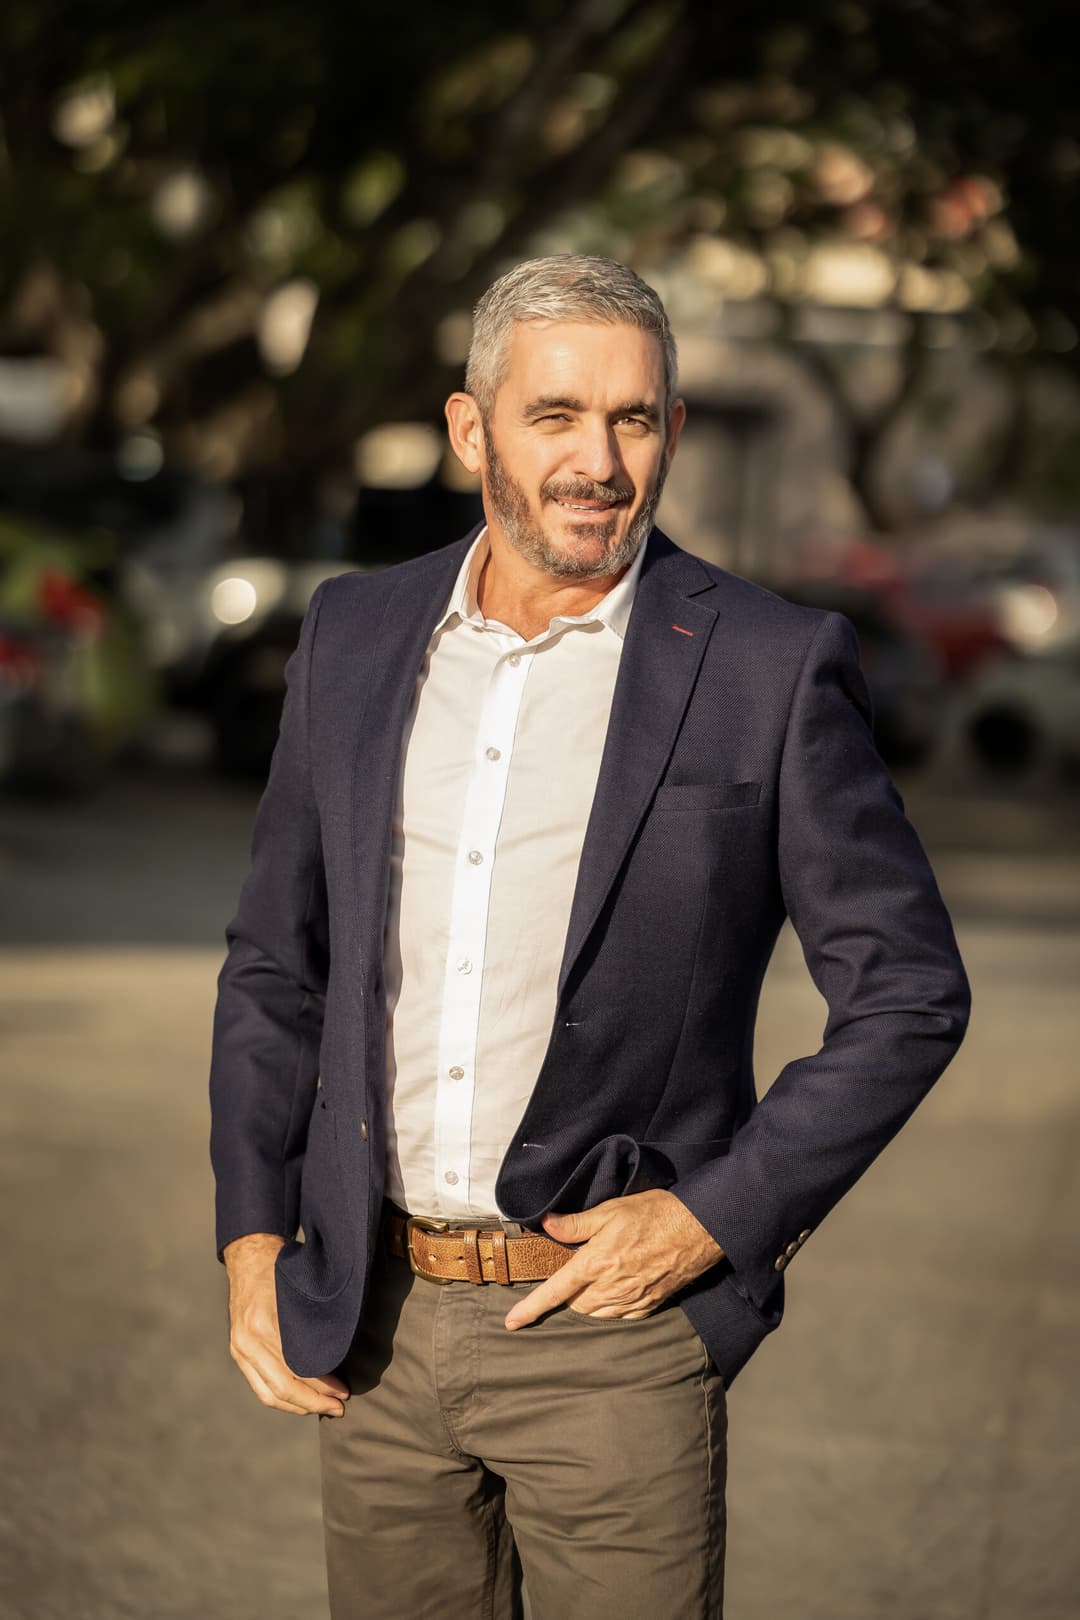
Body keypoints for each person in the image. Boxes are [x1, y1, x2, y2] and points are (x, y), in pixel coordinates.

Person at [209, 254, 970, 1619]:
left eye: (634, 418)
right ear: (471, 431)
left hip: (612, 1339)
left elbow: (908, 991)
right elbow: (278, 961)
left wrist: (714, 1217)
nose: (599, 460)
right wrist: (254, 1235)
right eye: (555, 414)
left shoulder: (766, 664)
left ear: (672, 431)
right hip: (371, 1332)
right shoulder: (357, 633)